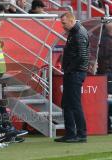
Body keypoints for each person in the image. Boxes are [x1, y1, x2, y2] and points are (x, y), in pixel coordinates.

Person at [54, 12, 89, 143]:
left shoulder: (78, 33)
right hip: (73, 72)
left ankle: (81, 134)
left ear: (71, 20)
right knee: (67, 104)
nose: (62, 26)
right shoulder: (75, 32)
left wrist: (69, 69)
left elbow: (82, 56)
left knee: (74, 104)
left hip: (75, 73)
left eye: (63, 23)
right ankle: (70, 133)